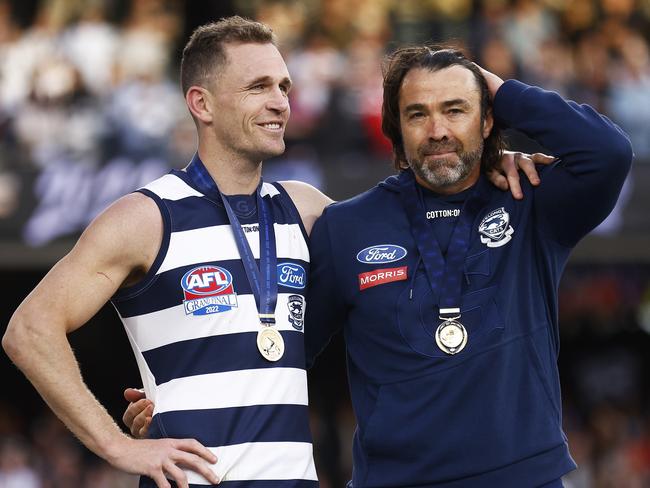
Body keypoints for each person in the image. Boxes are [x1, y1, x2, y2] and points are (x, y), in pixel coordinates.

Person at [4, 16, 546, 488]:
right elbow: (29, 330)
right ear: (202, 103)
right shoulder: (146, 217)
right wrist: (117, 445)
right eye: (259, 86)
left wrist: (487, 169)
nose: (281, 102)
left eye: (285, 86)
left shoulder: (307, 210)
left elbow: (415, 234)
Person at [302, 47, 633, 486]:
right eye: (417, 114)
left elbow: (608, 154)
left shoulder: (530, 198)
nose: (437, 130)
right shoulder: (345, 227)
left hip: (526, 479)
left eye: (455, 109)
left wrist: (500, 90)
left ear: (488, 119)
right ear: (397, 129)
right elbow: (286, 355)